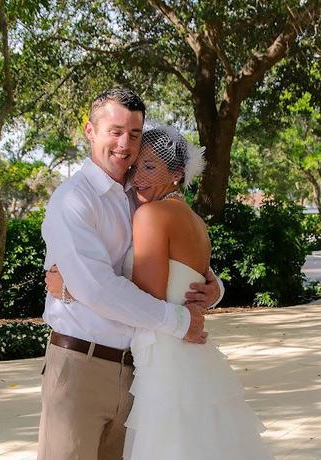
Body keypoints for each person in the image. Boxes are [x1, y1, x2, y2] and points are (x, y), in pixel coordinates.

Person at [38, 88, 223, 460]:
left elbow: (162, 259)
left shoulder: (138, 194)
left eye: (134, 134)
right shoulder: (72, 200)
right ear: (90, 131)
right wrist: (180, 320)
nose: (125, 144)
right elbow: (99, 288)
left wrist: (212, 285)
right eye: (115, 131)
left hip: (139, 371)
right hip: (82, 368)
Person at [119, 125, 274, 459]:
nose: (137, 177)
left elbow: (147, 296)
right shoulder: (195, 221)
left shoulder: (150, 215)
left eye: (149, 167)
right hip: (194, 354)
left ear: (176, 173)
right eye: (134, 167)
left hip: (165, 354)